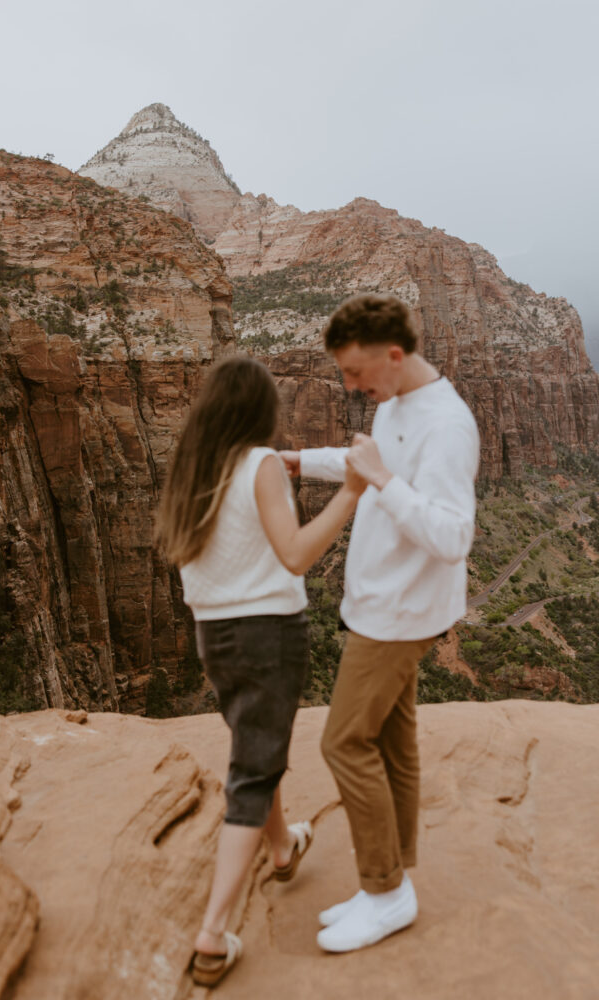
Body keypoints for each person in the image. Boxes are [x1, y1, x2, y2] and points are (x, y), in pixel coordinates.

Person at [280, 293, 480, 953]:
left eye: (355, 371)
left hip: (398, 615)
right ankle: (396, 879)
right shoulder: (395, 403)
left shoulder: (446, 425)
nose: (350, 385)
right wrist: (294, 462)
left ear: (394, 355)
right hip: (379, 603)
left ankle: (384, 889)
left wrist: (381, 481)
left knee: (342, 743)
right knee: (393, 743)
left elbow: (452, 535)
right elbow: (363, 463)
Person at [158, 355, 366, 987]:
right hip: (267, 635)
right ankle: (213, 934)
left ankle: (282, 849)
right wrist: (351, 494)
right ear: (259, 410)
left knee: (257, 747)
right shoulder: (260, 465)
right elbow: (298, 554)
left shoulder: (193, 471)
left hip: (212, 636)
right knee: (253, 770)